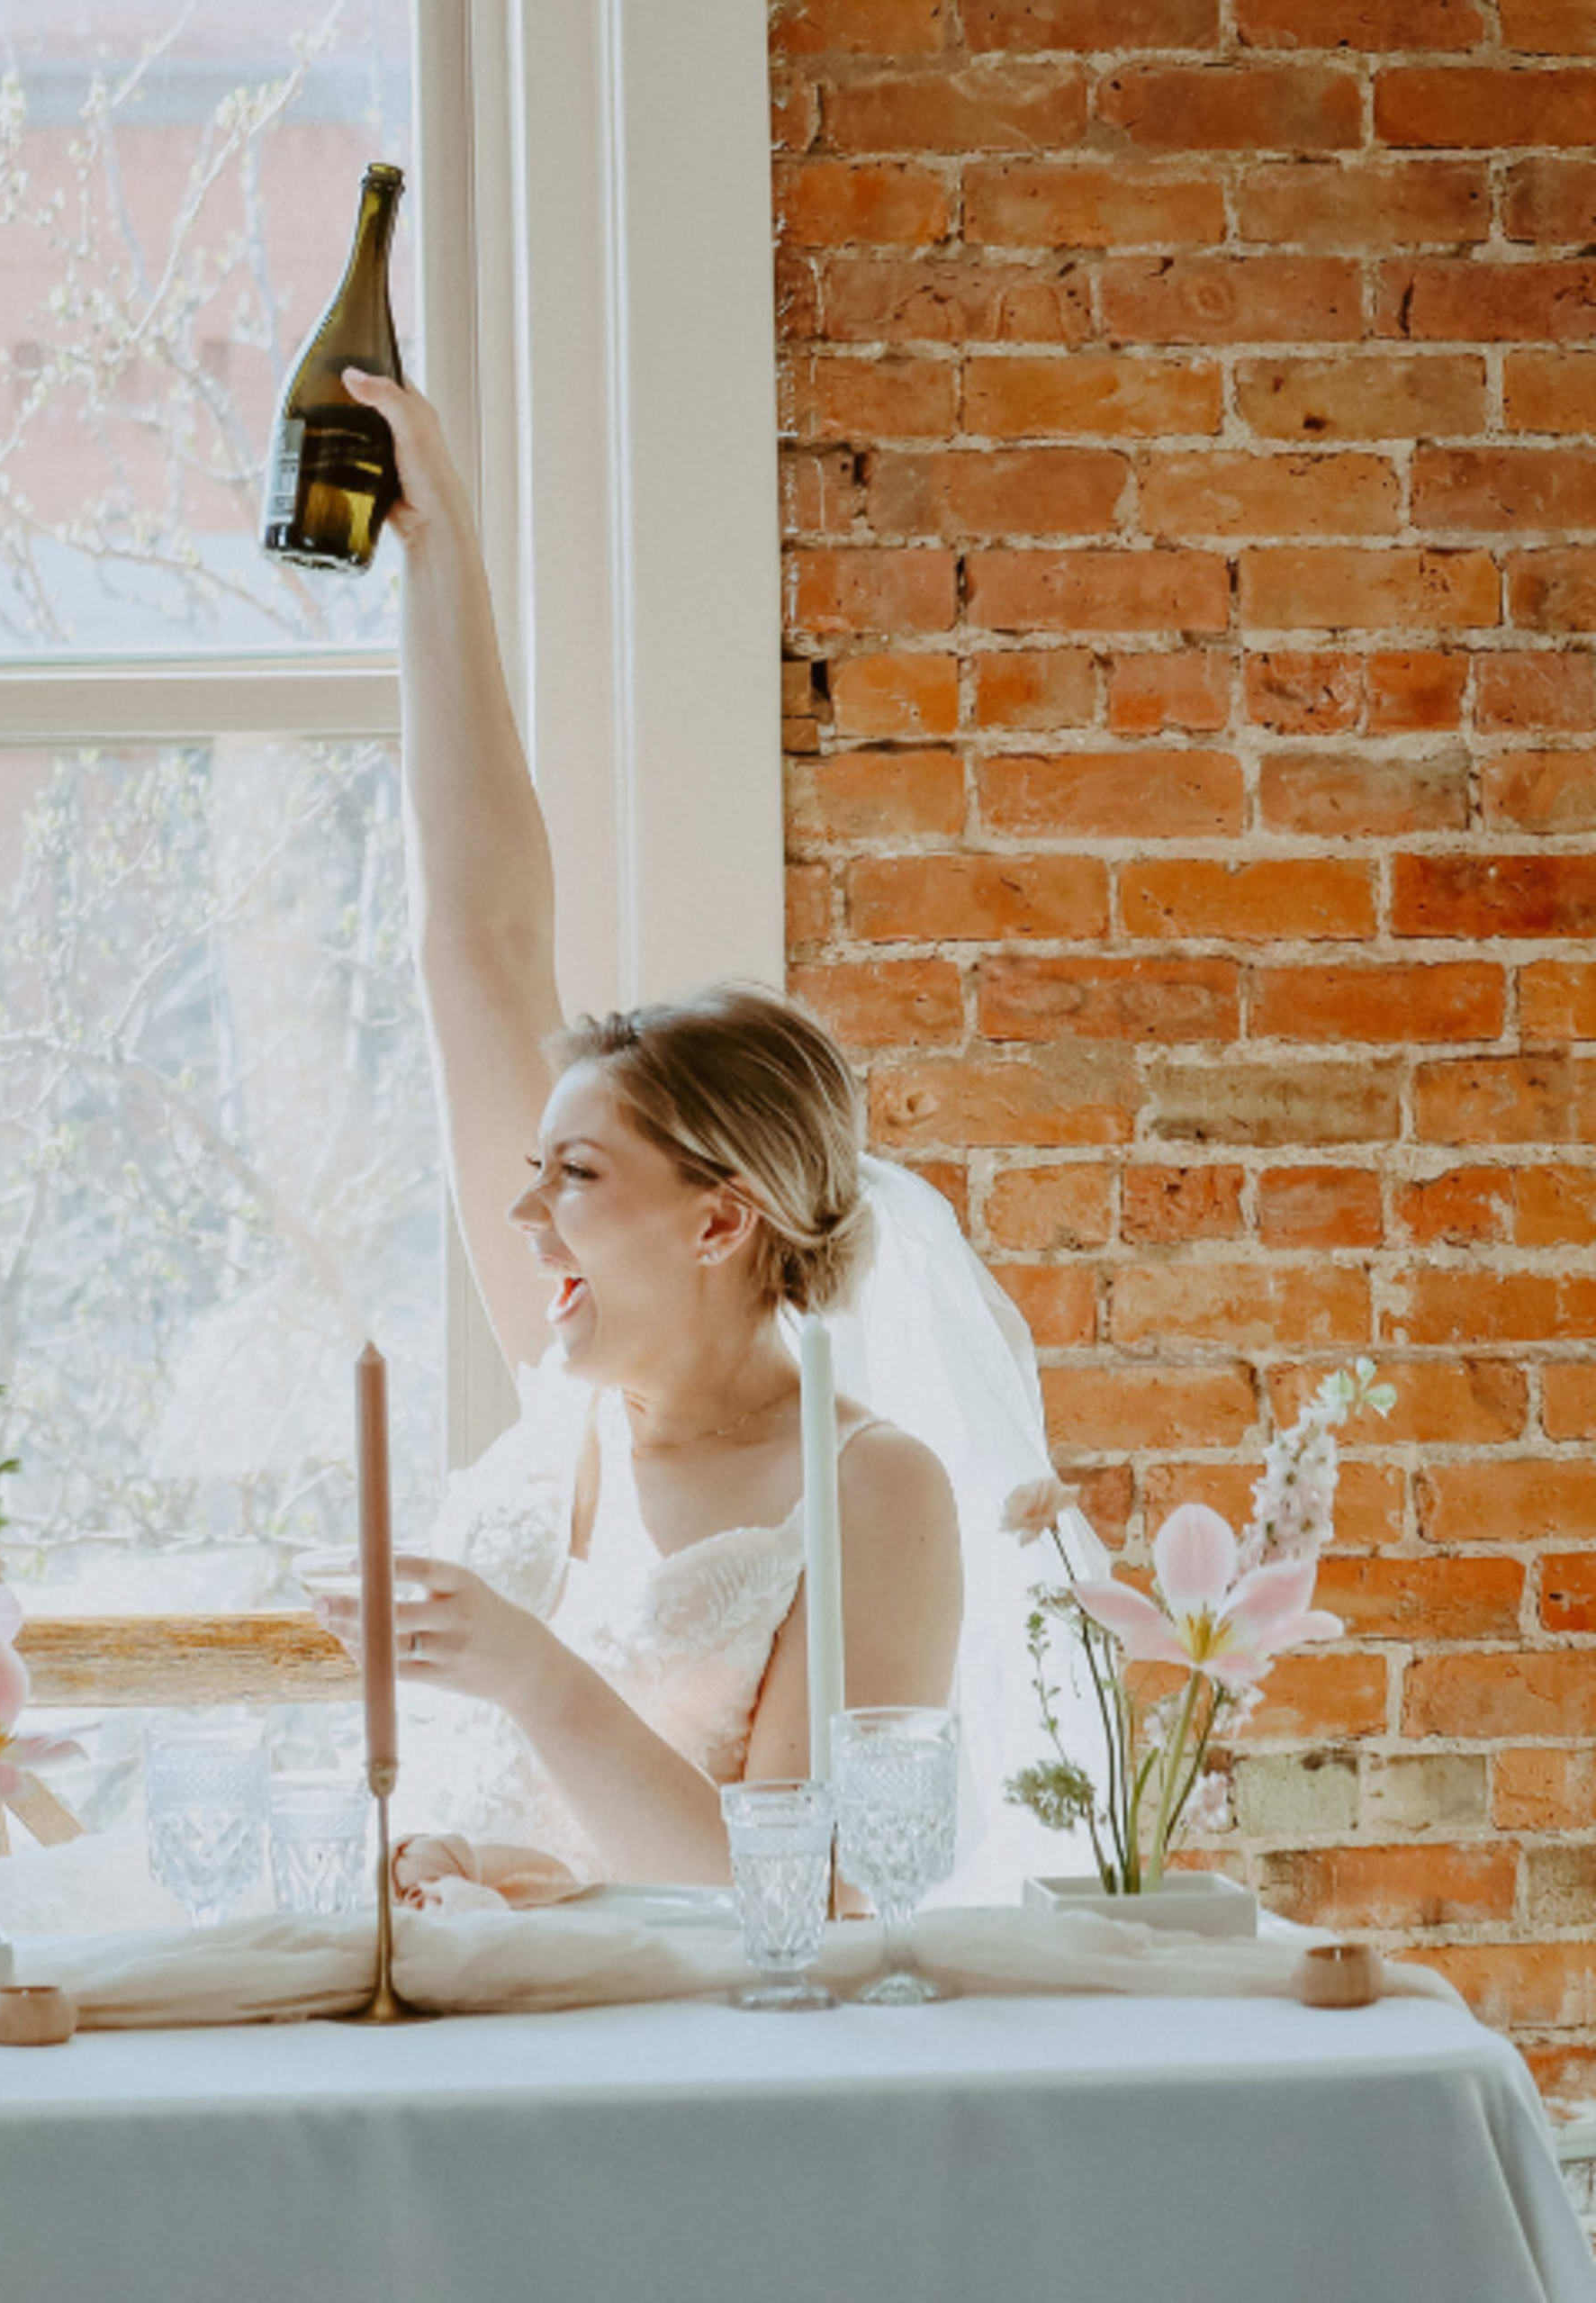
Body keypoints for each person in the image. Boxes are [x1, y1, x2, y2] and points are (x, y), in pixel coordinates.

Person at [311, 367, 986, 1888]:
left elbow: (815, 1891)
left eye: (575, 1175)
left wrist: (533, 1671)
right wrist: (439, 552)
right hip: (449, 2016)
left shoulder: (867, 1488)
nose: (522, 1212)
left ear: (719, 1216)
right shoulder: (568, 1372)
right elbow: (475, 937)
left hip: (676, 2091)